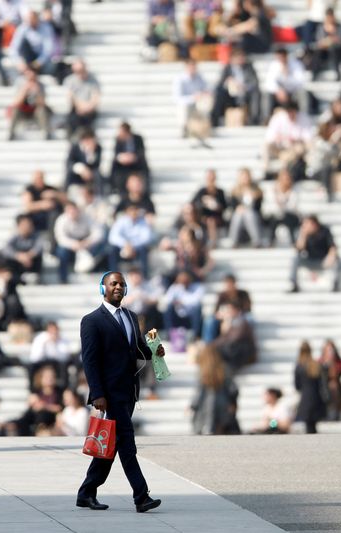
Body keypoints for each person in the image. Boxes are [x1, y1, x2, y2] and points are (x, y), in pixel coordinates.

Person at [76, 271, 164, 513]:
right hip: (109, 393)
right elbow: (90, 361)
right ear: (103, 289)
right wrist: (97, 394)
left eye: (122, 284)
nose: (118, 287)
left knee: (111, 445)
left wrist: (153, 351)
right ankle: (141, 495)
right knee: (127, 443)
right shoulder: (92, 320)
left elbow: (136, 350)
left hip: (129, 391)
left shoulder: (132, 317)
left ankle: (86, 492)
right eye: (113, 283)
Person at [190, 344, 239, 435]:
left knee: (207, 431)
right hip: (224, 404)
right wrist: (233, 402)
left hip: (205, 406)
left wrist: (193, 405)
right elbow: (233, 389)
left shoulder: (202, 371)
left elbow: (199, 392)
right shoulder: (225, 368)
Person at [53, 201, 105, 283]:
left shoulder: (87, 218)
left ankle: (96, 272)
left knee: (103, 246)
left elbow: (98, 233)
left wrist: (87, 242)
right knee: (61, 252)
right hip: (70, 246)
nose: (72, 213)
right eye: (69, 211)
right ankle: (63, 278)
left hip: (87, 244)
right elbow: (60, 238)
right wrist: (74, 244)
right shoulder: (61, 220)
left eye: (74, 210)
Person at [289, 215, 340, 293]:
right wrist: (303, 235)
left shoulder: (324, 231)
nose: (304, 226)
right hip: (310, 260)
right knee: (295, 259)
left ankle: (335, 284)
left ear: (314, 224)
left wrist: (330, 256)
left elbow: (333, 247)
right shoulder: (304, 234)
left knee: (336, 260)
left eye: (306, 223)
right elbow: (299, 249)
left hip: (324, 260)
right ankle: (294, 284)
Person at [108, 205, 154, 278]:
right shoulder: (121, 221)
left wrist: (132, 245)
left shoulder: (143, 222)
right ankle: (114, 276)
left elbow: (147, 238)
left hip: (137, 249)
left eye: (135, 210)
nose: (133, 213)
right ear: (127, 212)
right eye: (131, 210)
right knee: (112, 250)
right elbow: (113, 237)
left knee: (144, 250)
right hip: (123, 248)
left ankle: (145, 276)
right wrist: (125, 244)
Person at [263, 48, 308, 120]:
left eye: (281, 57)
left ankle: (304, 117)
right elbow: (269, 83)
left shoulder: (296, 64)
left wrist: (287, 77)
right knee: (266, 94)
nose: (280, 59)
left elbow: (301, 82)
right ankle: (266, 119)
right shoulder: (274, 65)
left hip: (293, 92)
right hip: (278, 94)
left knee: (302, 93)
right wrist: (279, 90)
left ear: (286, 56)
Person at [0, 214, 44, 280]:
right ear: (18, 226)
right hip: (17, 263)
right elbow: (6, 248)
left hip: (30, 263)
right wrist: (18, 256)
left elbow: (39, 248)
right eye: (24, 224)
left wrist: (28, 256)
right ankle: (2, 273)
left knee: (38, 257)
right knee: (1, 254)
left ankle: (31, 276)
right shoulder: (15, 237)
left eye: (29, 224)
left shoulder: (36, 236)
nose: (27, 227)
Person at [8, 65, 51, 141]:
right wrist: (24, 91)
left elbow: (43, 103)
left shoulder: (41, 86)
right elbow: (16, 103)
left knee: (42, 110)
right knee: (15, 110)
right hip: (23, 109)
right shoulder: (20, 84)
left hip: (35, 110)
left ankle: (46, 132)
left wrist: (37, 92)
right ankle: (11, 133)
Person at [8, 10, 56, 75]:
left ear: (37, 18)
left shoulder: (46, 28)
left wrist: (39, 62)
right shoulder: (22, 28)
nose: (30, 22)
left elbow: (48, 49)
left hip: (41, 60)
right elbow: (13, 48)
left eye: (32, 19)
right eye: (28, 19)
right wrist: (19, 62)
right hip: (26, 59)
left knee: (50, 66)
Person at [294, 341, 326, 434]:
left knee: (308, 426)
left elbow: (297, 386)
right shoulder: (316, 365)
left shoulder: (299, 366)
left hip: (305, 399)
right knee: (313, 426)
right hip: (316, 398)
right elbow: (321, 383)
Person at [163, 271, 204, 342]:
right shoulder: (175, 287)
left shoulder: (198, 287)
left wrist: (181, 302)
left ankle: (195, 336)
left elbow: (196, 301)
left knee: (198, 309)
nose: (184, 283)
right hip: (178, 316)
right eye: (181, 281)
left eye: (186, 281)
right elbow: (167, 299)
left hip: (191, 317)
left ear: (190, 280)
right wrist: (175, 301)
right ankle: (170, 335)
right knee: (169, 308)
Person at [308, 8, 341, 81]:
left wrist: (335, 40)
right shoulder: (321, 28)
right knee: (318, 53)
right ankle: (314, 74)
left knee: (334, 50)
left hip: (338, 51)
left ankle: (338, 73)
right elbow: (318, 41)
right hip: (325, 51)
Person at [172, 59, 209, 138]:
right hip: (186, 103)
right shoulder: (179, 79)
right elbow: (177, 98)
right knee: (183, 108)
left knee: (206, 103)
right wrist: (193, 97)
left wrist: (203, 94)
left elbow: (206, 89)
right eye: (190, 67)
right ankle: (184, 129)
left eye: (194, 67)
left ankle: (203, 129)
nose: (192, 69)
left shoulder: (199, 77)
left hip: (198, 103)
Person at [65, 58, 101, 138]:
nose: (79, 73)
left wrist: (88, 107)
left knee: (87, 119)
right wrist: (80, 107)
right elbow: (71, 97)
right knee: (72, 119)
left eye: (81, 70)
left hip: (89, 109)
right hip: (77, 109)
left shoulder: (93, 80)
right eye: (77, 71)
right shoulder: (71, 80)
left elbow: (96, 96)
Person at [228, 168, 263, 248]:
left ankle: (256, 241)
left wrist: (254, 198)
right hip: (240, 219)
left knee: (249, 213)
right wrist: (240, 208)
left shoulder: (256, 191)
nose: (245, 179)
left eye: (246, 176)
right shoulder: (235, 191)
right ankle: (234, 241)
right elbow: (233, 206)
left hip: (253, 218)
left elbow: (258, 208)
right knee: (238, 214)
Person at [110, 122, 149, 195]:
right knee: (114, 165)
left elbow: (141, 152)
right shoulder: (118, 140)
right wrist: (122, 157)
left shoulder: (138, 139)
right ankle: (115, 188)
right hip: (123, 165)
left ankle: (145, 190)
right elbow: (116, 153)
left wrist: (133, 157)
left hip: (136, 163)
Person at [264, 168, 300, 247]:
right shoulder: (272, 191)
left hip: (290, 216)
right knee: (275, 219)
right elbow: (270, 207)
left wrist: (281, 205)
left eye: (287, 178)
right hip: (276, 216)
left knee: (287, 218)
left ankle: (294, 241)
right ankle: (271, 241)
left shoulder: (294, 191)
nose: (285, 181)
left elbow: (292, 207)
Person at [319, 340, 341, 421]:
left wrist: (331, 364)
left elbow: (336, 375)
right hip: (322, 386)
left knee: (333, 386)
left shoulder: (339, 362)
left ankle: (334, 412)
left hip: (334, 386)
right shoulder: (320, 362)